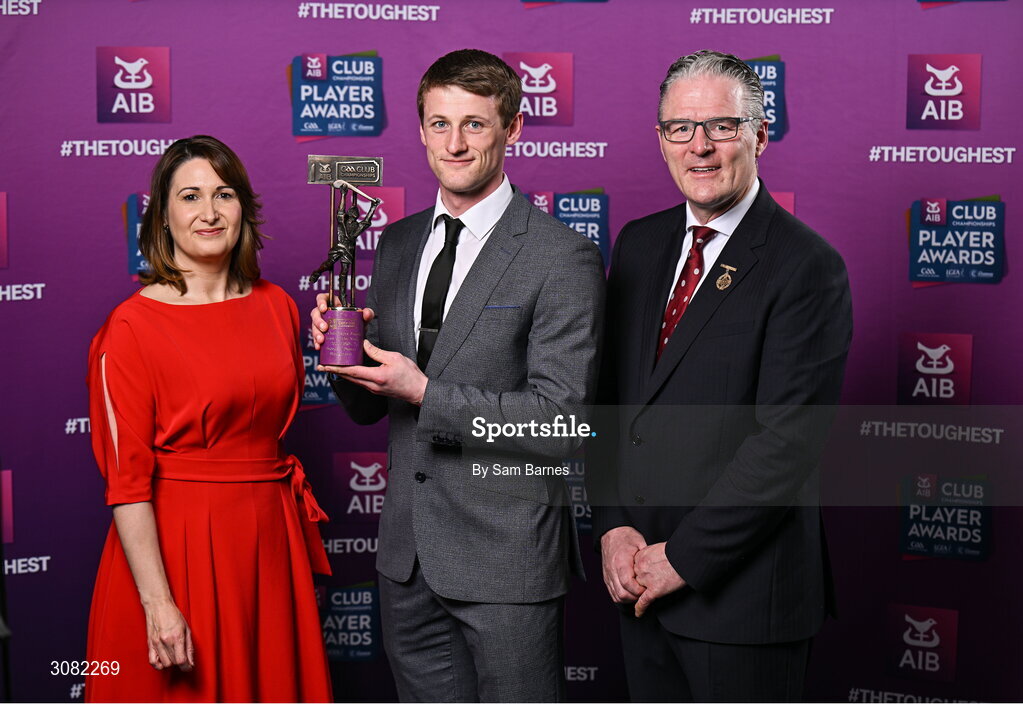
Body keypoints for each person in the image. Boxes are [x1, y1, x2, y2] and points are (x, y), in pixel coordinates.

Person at [310, 49, 604, 702]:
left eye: (474, 123)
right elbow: (369, 410)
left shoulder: (562, 256)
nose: (455, 142)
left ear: (513, 129)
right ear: (419, 129)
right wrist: (343, 360)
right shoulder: (397, 243)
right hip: (407, 560)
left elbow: (561, 422)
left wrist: (424, 391)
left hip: (506, 560)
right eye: (439, 123)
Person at [587, 50, 853, 702]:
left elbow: (784, 445)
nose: (698, 146)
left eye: (721, 127)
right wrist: (614, 525)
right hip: (638, 586)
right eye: (680, 127)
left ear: (760, 134)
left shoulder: (806, 266)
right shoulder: (639, 244)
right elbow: (614, 402)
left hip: (742, 605)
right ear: (660, 139)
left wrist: (681, 558)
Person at [85, 136, 332, 702]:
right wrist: (158, 603)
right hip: (177, 553)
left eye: (224, 194)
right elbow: (126, 484)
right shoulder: (130, 328)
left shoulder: (277, 306)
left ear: (243, 207)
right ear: (164, 217)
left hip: (269, 546)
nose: (210, 212)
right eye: (190, 196)